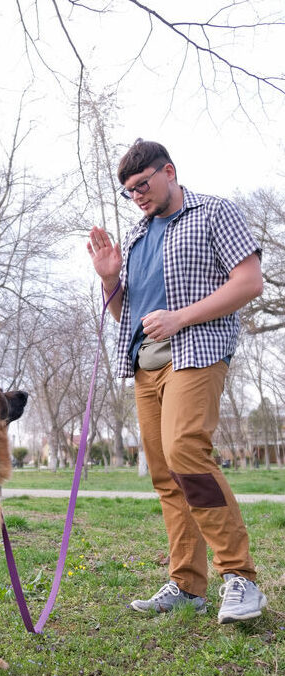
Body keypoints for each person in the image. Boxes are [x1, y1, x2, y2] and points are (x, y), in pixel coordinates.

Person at [87, 138, 267, 624]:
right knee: (166, 474)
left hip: (196, 353)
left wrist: (181, 317)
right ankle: (187, 585)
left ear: (169, 171)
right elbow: (130, 317)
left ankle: (241, 577)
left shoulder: (214, 213)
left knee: (186, 451)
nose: (137, 196)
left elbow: (249, 282)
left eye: (142, 184)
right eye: (129, 191)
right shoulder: (138, 237)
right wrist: (110, 281)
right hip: (145, 367)